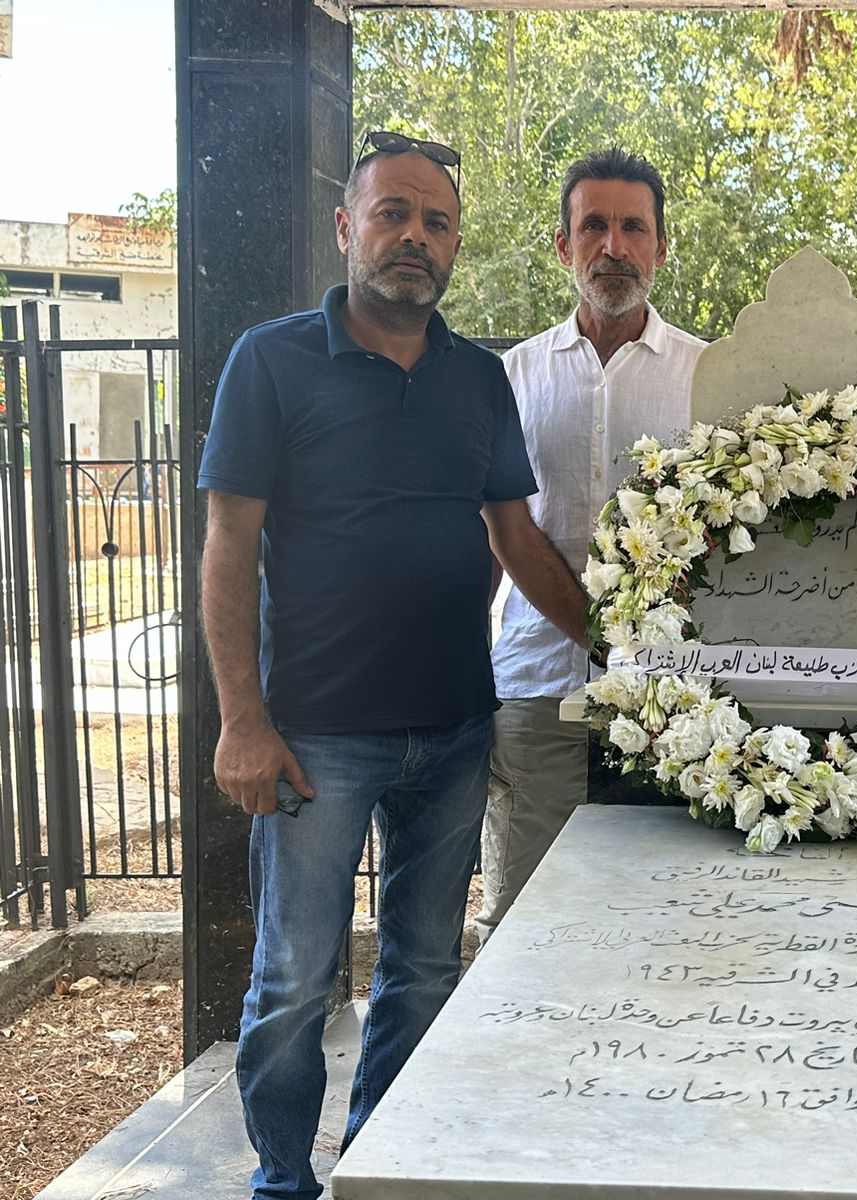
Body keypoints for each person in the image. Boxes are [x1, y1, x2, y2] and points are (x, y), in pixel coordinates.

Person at [199, 130, 590, 1200]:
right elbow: (228, 543)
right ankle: (284, 1180)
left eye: (436, 222)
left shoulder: (479, 378)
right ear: (347, 227)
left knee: (423, 970)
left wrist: (618, 645)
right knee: (292, 980)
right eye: (393, 214)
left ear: (455, 244)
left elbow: (515, 536)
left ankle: (378, 1163)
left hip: (456, 727)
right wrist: (242, 720)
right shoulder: (270, 361)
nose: (415, 236)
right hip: (313, 736)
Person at [476, 147, 704, 947]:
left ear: (661, 247)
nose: (614, 247)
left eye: (633, 228)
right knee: (522, 928)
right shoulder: (511, 376)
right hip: (538, 688)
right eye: (593, 227)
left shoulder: (708, 376)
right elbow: (500, 531)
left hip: (676, 701)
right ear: (563, 246)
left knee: (662, 927)